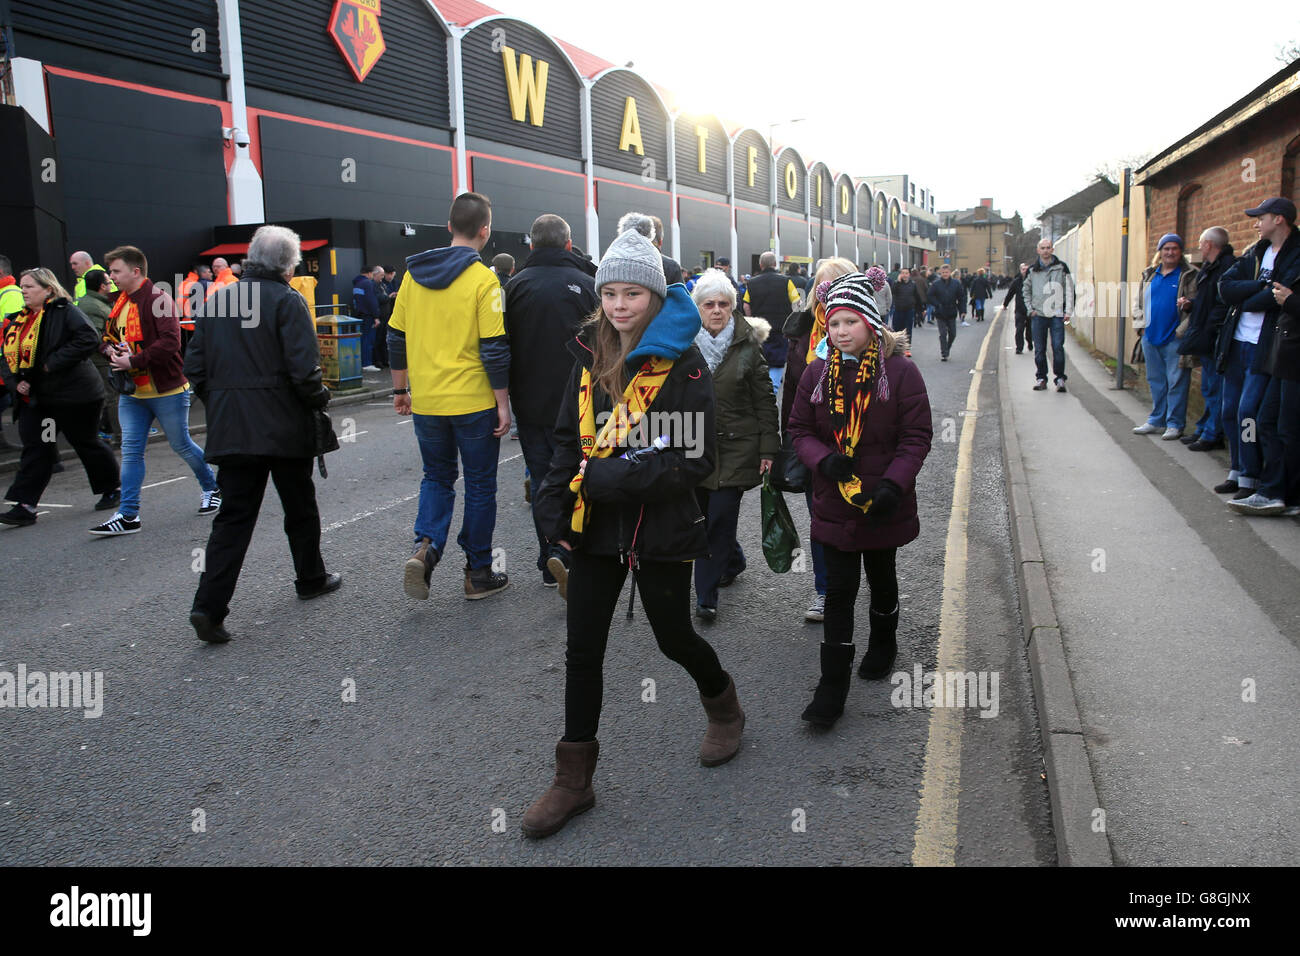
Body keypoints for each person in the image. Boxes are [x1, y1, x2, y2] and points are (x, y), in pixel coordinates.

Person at [522, 228, 743, 840]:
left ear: (653, 294)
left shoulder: (683, 360)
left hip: (661, 526)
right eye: (611, 294)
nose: (619, 306)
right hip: (593, 530)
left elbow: (692, 459)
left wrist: (611, 479)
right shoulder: (589, 352)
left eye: (633, 294)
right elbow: (569, 442)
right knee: (582, 649)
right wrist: (553, 519)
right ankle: (574, 779)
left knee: (674, 638)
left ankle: (722, 702)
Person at [184, 226, 342, 643]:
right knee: (300, 507)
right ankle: (310, 577)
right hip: (284, 427)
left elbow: (194, 368)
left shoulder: (217, 300)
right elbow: (303, 371)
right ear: (288, 266)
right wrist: (319, 396)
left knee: (232, 519)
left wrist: (222, 400)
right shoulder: (287, 301)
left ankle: (208, 606)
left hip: (232, 427)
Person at [788, 272, 931, 727]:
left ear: (872, 323)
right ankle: (832, 687)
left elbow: (915, 436)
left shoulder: (901, 372)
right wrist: (822, 461)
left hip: (882, 498)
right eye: (834, 324)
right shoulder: (817, 373)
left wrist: (893, 484)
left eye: (850, 321)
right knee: (839, 593)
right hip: (835, 499)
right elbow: (799, 430)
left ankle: (884, 641)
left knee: (882, 575)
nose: (841, 331)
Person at [388, 192, 511, 600]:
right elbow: (494, 347)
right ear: (485, 231)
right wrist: (503, 401)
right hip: (473, 402)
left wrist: (400, 389)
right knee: (479, 486)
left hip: (427, 402)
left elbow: (396, 337)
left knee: (436, 477)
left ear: (448, 227)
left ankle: (425, 547)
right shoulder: (483, 279)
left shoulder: (411, 275)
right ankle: (478, 573)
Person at [90, 245, 220, 536]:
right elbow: (107, 336)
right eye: (110, 271)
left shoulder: (158, 299)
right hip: (133, 393)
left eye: (115, 271)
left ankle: (213, 487)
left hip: (167, 390)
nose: (110, 277)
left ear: (135, 272)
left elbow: (171, 343)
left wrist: (132, 360)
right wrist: (108, 348)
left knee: (181, 444)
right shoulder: (119, 301)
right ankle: (128, 515)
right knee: (132, 451)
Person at [504, 213, 598, 592]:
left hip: (529, 402)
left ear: (531, 246)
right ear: (569, 244)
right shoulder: (587, 284)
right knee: (584, 475)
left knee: (543, 477)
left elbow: (500, 345)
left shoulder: (513, 286)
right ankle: (580, 553)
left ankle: (551, 558)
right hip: (580, 403)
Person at [691, 268, 779, 620]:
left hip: (737, 449)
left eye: (723, 304)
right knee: (699, 518)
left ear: (732, 307)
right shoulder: (683, 344)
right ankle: (733, 559)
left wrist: (769, 449)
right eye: (709, 304)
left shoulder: (748, 346)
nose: (716, 310)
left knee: (719, 521)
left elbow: (764, 402)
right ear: (698, 308)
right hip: (693, 447)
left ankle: (705, 597)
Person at [0, 268, 120, 527]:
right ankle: (25, 505)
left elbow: (88, 338)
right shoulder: (18, 319)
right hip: (39, 400)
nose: (24, 291)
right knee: (38, 446)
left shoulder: (64, 311)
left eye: (30, 286)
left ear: (48, 290)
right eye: (23, 286)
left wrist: (49, 365)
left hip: (74, 396)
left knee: (85, 441)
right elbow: (5, 356)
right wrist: (15, 382)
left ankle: (112, 488)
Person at [781, 256, 856, 623]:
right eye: (822, 289)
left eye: (836, 287)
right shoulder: (801, 333)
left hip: (857, 449)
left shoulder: (864, 330)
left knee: (858, 523)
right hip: (815, 449)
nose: (828, 298)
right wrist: (787, 445)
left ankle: (857, 586)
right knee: (821, 522)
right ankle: (826, 592)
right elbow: (791, 395)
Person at [1220, 198, 1300, 515]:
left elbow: (1272, 298)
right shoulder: (1256, 251)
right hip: (1240, 342)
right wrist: (1258, 288)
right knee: (1241, 413)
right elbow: (1225, 290)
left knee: (1254, 415)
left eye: (1260, 217)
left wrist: (1255, 297)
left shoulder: (1295, 253)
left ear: (1279, 219)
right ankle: (1254, 480)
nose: (1255, 223)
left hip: (1273, 347)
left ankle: (1260, 482)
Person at [1132, 234, 1198, 439]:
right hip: (1150, 337)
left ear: (1180, 252)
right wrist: (1140, 326)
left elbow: (1197, 306)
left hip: (1174, 339)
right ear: (1160, 252)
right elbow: (1137, 303)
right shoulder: (1150, 274)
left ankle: (1175, 424)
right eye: (1166, 248)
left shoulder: (1189, 275)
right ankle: (1156, 420)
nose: (1170, 252)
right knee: (1156, 381)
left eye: (1174, 248)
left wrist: (1181, 331)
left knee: (1177, 382)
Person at [1177, 228, 1235, 452]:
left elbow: (1221, 305)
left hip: (1214, 337)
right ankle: (1204, 428)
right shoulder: (1210, 268)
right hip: (1206, 333)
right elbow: (1207, 301)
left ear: (1209, 244)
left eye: (1201, 243)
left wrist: (1210, 329)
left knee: (1215, 388)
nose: (1199, 247)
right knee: (1208, 386)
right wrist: (1191, 305)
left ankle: (1213, 433)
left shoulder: (1226, 267)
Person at [743, 251, 801, 396]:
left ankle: (758, 391)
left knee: (759, 361)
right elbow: (797, 303)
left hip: (759, 330)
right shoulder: (786, 281)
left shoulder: (752, 283)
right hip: (780, 329)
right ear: (775, 264)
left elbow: (746, 305)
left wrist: (752, 322)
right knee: (777, 362)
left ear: (760, 265)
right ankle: (773, 391)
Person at [76, 268, 121, 445]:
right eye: (109, 282)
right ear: (102, 286)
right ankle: (120, 436)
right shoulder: (92, 306)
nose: (111, 285)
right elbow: (94, 335)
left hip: (102, 359)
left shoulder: (98, 302)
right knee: (112, 396)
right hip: (100, 360)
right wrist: (108, 349)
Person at [1023, 238, 1074, 391]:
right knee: (1039, 349)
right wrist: (1030, 309)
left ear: (1052, 249)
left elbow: (1069, 289)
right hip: (1038, 314)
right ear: (1038, 250)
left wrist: (1068, 310)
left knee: (1058, 347)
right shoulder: (1032, 270)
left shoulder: (1061, 267)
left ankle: (1059, 378)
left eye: (1048, 247)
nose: (1045, 250)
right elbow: (1025, 291)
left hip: (1057, 314)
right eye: (1043, 248)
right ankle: (1041, 378)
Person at [928, 263, 966, 362]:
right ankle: (944, 353)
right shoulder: (936, 284)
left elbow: (961, 297)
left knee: (953, 334)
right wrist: (937, 304)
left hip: (952, 311)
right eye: (943, 272)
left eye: (947, 272)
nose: (945, 274)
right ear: (940, 273)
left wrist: (963, 311)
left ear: (950, 272)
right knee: (943, 333)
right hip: (940, 312)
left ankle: (947, 348)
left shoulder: (956, 283)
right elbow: (930, 296)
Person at [353, 264, 384, 372]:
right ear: (369, 273)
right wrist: (376, 316)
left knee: (362, 339)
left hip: (360, 315)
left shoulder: (357, 283)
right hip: (368, 316)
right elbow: (372, 301)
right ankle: (367, 363)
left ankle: (363, 362)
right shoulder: (368, 283)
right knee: (368, 340)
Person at [1000, 262, 1031, 353]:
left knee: (1029, 331)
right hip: (1020, 310)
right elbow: (1010, 293)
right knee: (1019, 329)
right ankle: (1019, 348)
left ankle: (1029, 342)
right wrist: (1005, 304)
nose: (1025, 271)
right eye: (1023, 269)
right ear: (1020, 270)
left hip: (1031, 310)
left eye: (1026, 269)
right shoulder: (1016, 282)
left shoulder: (1033, 281)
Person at [889, 266, 922, 346]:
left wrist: (920, 309)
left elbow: (917, 297)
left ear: (909, 274)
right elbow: (893, 292)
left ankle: (907, 347)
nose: (904, 275)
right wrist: (897, 282)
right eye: (903, 273)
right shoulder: (896, 283)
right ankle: (897, 347)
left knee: (908, 330)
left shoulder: (913, 284)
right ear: (900, 274)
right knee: (897, 329)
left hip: (909, 310)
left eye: (906, 273)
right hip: (898, 309)